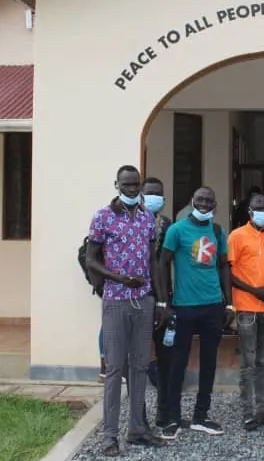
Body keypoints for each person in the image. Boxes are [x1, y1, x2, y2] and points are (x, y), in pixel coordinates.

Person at [86, 165, 165, 456]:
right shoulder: (103, 217)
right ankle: (109, 436)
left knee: (140, 367)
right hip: (116, 299)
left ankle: (137, 430)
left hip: (143, 300)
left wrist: (159, 300)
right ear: (117, 185)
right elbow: (92, 260)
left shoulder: (147, 218)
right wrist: (118, 278)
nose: (132, 189)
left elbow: (154, 261)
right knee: (115, 369)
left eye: (136, 185)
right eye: (127, 185)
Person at [159, 186, 233, 440]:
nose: (204, 203)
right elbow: (162, 264)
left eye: (209, 201)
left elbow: (224, 267)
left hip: (212, 304)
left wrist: (229, 303)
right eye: (200, 199)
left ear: (214, 205)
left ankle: (202, 415)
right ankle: (173, 417)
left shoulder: (216, 230)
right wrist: (163, 302)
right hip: (184, 306)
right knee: (177, 363)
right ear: (192, 201)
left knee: (209, 362)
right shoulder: (176, 230)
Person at [228, 192, 264, 431]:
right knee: (248, 362)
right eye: (258, 207)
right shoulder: (237, 236)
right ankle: (247, 413)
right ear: (249, 211)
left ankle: (263, 410)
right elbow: (229, 273)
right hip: (247, 308)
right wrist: (254, 291)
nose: (263, 211)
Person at [142, 177, 175, 427]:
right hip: (137, 297)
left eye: (159, 194)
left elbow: (167, 263)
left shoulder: (166, 224)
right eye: (150, 193)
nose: (155, 197)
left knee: (166, 357)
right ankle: (138, 416)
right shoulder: (130, 223)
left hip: (163, 297)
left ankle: (164, 412)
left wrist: (166, 299)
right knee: (138, 359)